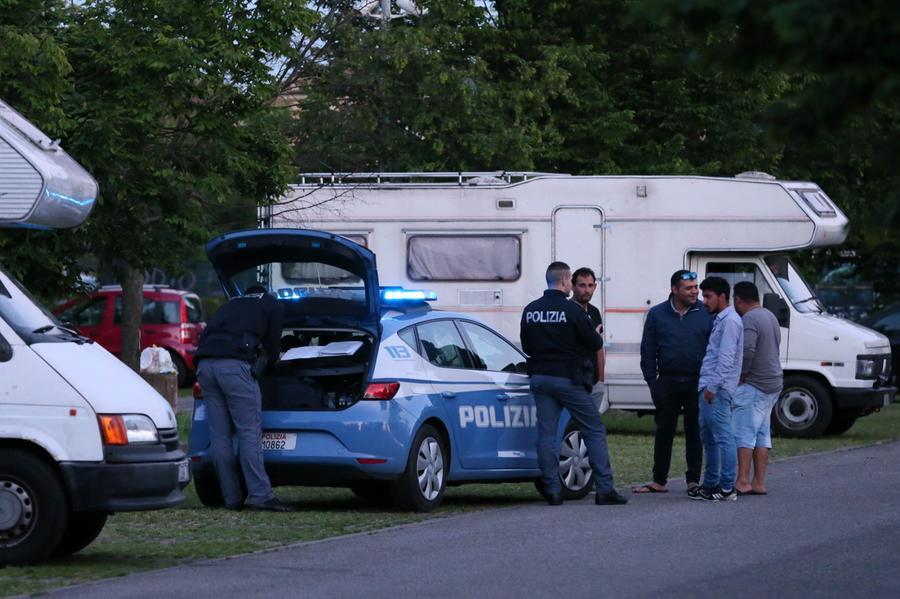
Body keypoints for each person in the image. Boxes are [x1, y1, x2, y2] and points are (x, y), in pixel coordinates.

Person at [520, 261, 627, 506]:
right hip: (568, 379)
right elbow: (593, 343)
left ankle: (553, 490)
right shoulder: (573, 311)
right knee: (593, 429)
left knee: (547, 433)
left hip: (540, 378)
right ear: (566, 281)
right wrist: (594, 333)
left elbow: (526, 347)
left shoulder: (531, 309)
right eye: (571, 282)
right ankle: (605, 489)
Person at [194, 285, 294, 512]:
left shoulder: (230, 304)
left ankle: (231, 498)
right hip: (234, 366)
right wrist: (273, 363)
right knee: (249, 431)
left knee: (220, 436)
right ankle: (261, 496)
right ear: (265, 292)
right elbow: (273, 345)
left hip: (205, 366)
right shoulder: (271, 304)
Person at [635, 270, 713, 494]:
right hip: (667, 383)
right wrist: (652, 382)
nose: (695, 291)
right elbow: (647, 350)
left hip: (696, 383)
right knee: (664, 431)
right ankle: (659, 480)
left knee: (695, 432)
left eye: (695, 287)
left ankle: (693, 480)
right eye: (688, 288)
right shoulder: (657, 314)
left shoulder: (705, 312)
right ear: (674, 290)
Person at [693, 276, 743, 502]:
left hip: (717, 389)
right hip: (709, 387)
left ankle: (726, 487)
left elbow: (726, 358)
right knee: (710, 437)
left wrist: (713, 386)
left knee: (723, 437)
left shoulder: (730, 321)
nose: (704, 301)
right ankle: (711, 483)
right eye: (704, 296)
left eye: (708, 296)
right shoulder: (722, 320)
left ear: (723, 296)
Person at [732, 281, 783, 495]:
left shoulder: (749, 319)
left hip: (755, 383)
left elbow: (748, 349)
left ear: (738, 299)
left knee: (745, 432)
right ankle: (758, 482)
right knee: (762, 434)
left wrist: (741, 372)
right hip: (774, 382)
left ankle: (742, 480)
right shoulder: (769, 316)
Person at [571, 267, 607, 411]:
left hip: (593, 381)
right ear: (573, 286)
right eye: (582, 285)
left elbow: (598, 347)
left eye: (590, 285)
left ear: (595, 287)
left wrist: (601, 380)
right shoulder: (567, 310)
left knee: (590, 427)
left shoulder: (594, 312)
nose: (587, 290)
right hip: (574, 381)